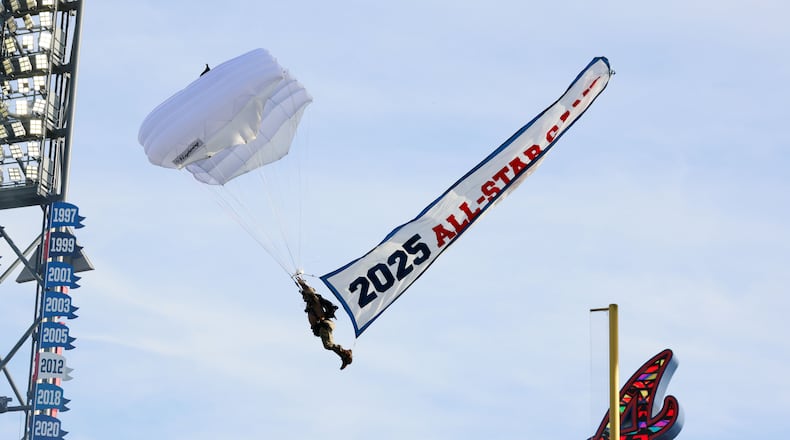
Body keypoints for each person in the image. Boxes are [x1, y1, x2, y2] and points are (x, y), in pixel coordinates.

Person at [296, 276, 353, 370]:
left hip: (325, 325)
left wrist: (302, 284)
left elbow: (309, 291)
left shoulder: (314, 300)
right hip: (324, 326)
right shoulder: (310, 305)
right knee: (328, 345)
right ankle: (344, 356)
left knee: (328, 345)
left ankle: (346, 354)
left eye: (305, 295)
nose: (304, 297)